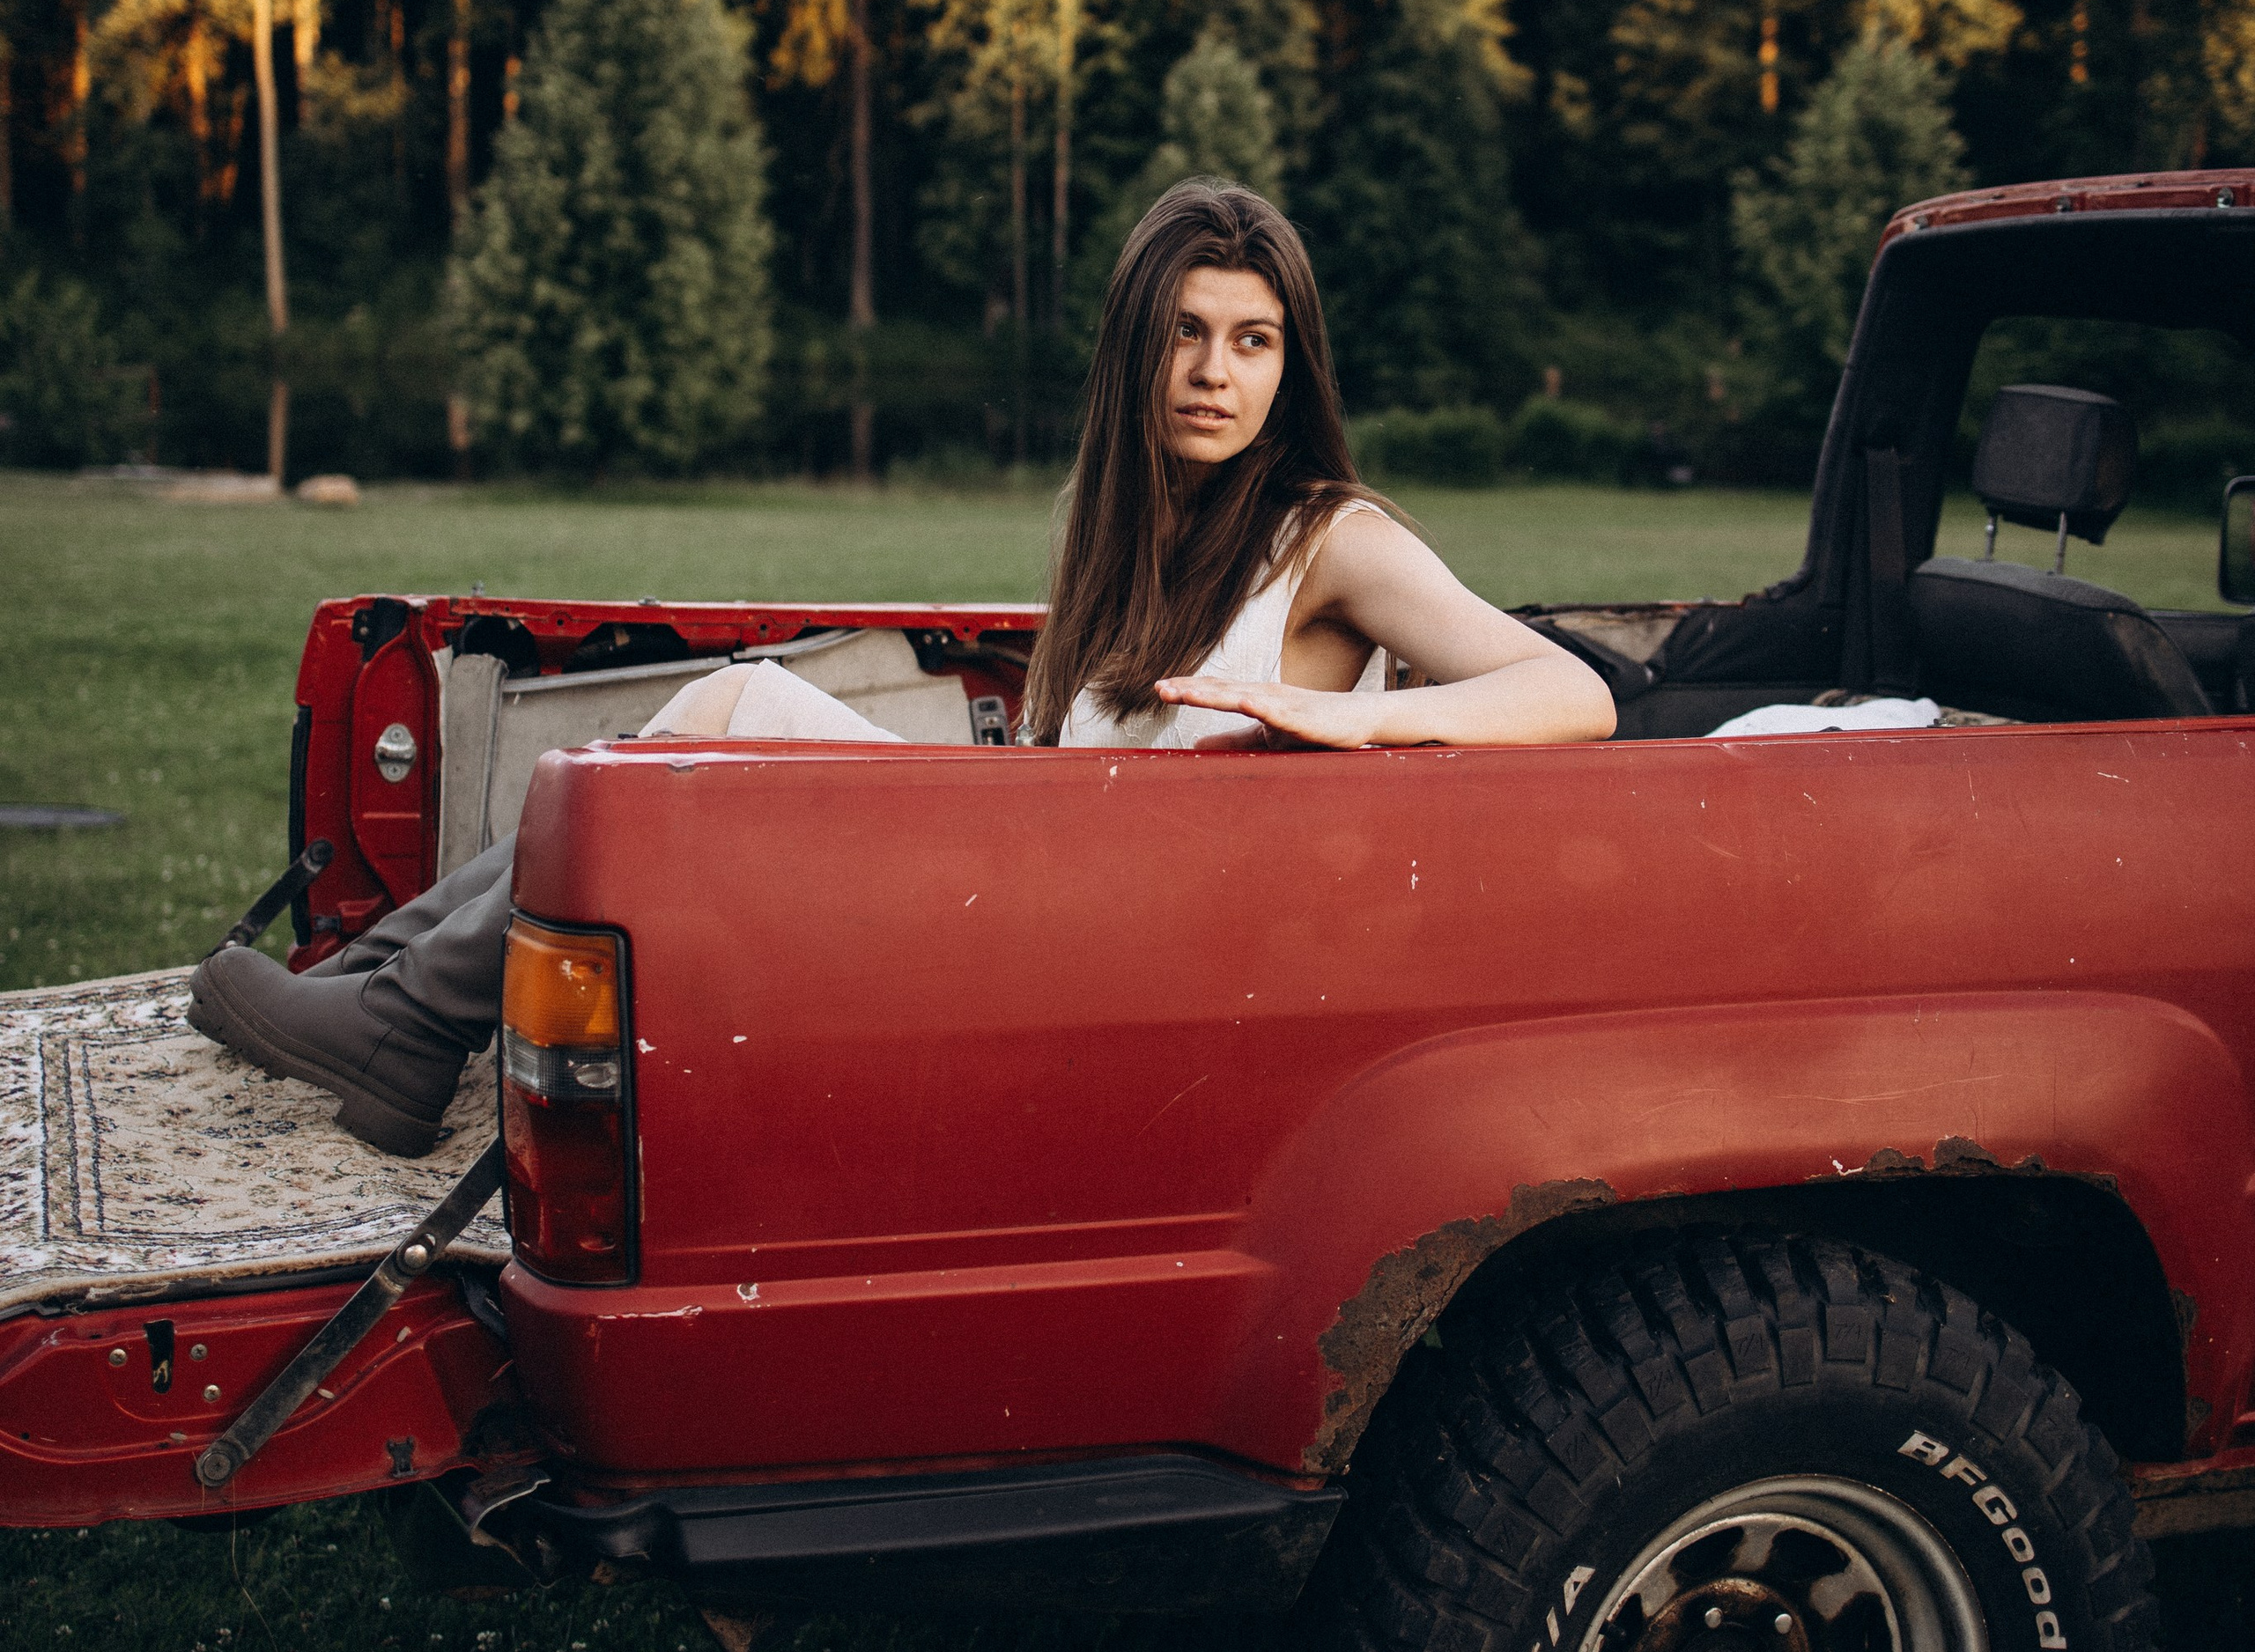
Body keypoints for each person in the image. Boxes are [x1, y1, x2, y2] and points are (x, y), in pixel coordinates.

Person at [189, 183, 1610, 1155]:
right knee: (684, 742)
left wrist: (1338, 720)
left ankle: (396, 1018)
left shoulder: (1329, 536)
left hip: (1135, 963)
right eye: (1184, 333)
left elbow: (1571, 695)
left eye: (1252, 342)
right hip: (1048, 892)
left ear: (1292, 369)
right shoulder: (1115, 529)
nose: (1214, 373)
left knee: (726, 711)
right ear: (1134, 347)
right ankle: (384, 994)